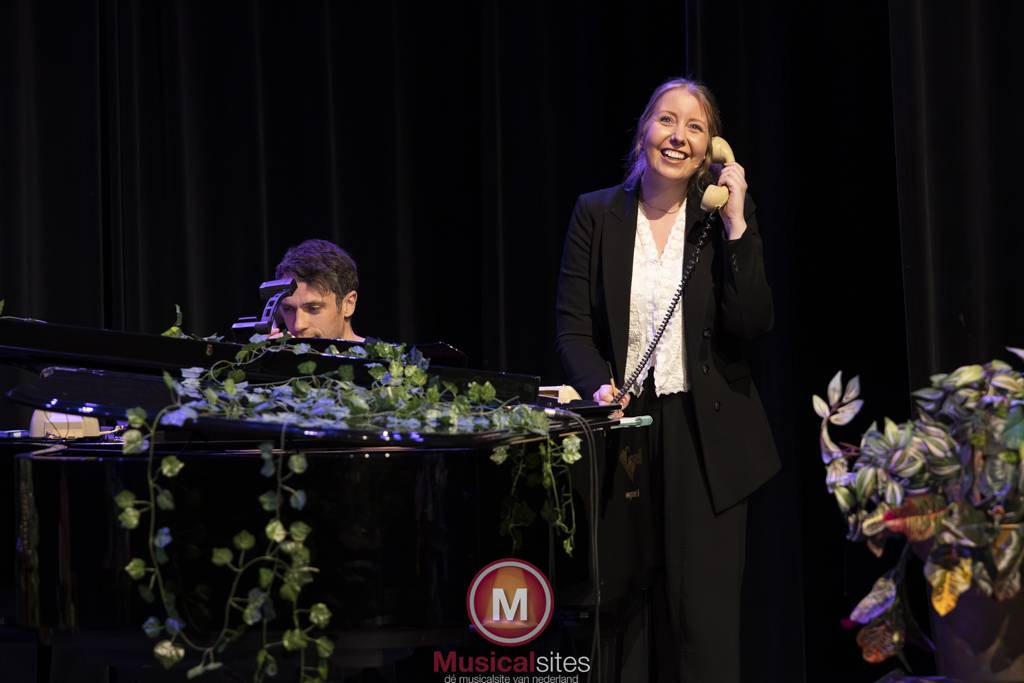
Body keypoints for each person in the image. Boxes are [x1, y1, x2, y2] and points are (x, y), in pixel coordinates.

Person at [555, 78, 780, 682]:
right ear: (643, 132)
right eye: (666, 120)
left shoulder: (720, 219)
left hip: (706, 439)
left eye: (695, 127)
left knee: (703, 623)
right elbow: (573, 328)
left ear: (711, 150)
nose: (678, 136)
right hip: (624, 429)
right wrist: (598, 387)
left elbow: (751, 322)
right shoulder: (596, 213)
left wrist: (736, 223)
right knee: (623, 614)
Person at [274, 238, 365, 341]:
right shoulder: (282, 350)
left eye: (313, 308)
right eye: (288, 309)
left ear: (348, 304)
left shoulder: (377, 352)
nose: (298, 325)